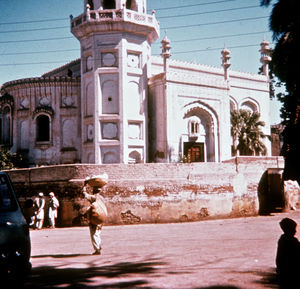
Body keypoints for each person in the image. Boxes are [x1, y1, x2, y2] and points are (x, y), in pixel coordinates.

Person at [82, 184, 107, 255]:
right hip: (100, 218)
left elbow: (85, 194)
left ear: (94, 191)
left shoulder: (94, 197)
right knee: (98, 233)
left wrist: (84, 186)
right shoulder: (102, 198)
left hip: (95, 219)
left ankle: (97, 249)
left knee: (94, 234)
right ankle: (98, 246)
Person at [276, 217, 300, 289]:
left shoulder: (282, 239)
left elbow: (279, 257)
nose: (295, 231)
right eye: (293, 229)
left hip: (283, 270)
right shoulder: (292, 241)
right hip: (292, 270)